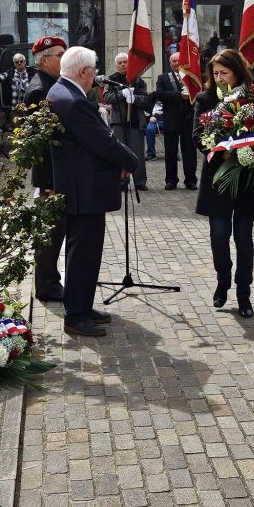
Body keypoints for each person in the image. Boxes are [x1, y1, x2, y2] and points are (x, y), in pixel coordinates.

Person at [48, 47, 138, 338]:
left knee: (83, 251)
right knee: (83, 253)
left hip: (80, 185)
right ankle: (76, 314)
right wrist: (130, 161)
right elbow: (102, 140)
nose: (95, 75)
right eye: (94, 70)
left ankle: (82, 306)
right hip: (83, 189)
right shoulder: (74, 100)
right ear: (84, 71)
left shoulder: (61, 91)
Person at [193, 49, 254, 317]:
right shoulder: (204, 99)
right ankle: (223, 281)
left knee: (244, 237)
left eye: (224, 73)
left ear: (237, 72)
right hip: (218, 178)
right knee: (218, 236)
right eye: (215, 73)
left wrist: (246, 149)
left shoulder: (253, 96)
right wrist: (221, 151)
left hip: (247, 177)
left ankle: (243, 292)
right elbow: (197, 135)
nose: (219, 78)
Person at [23, 36, 68, 302]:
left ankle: (50, 282)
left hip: (56, 175)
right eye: (59, 55)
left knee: (55, 231)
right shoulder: (39, 90)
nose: (64, 58)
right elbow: (42, 144)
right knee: (50, 233)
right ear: (44, 60)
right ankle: (47, 286)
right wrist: (50, 182)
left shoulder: (51, 83)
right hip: (51, 177)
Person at [104, 52, 150, 190]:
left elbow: (146, 100)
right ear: (116, 65)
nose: (123, 65)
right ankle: (122, 181)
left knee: (138, 152)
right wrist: (122, 94)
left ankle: (140, 181)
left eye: (125, 62)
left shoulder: (139, 81)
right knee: (120, 152)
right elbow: (107, 98)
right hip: (119, 121)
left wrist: (135, 98)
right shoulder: (111, 80)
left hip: (136, 120)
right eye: (120, 63)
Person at [156, 51, 198, 191]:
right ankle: (171, 180)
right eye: (174, 61)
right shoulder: (163, 77)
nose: (177, 63)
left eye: (179, 60)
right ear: (170, 63)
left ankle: (191, 180)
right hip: (171, 120)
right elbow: (160, 94)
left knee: (190, 152)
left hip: (188, 119)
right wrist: (179, 95)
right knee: (170, 152)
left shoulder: (191, 76)